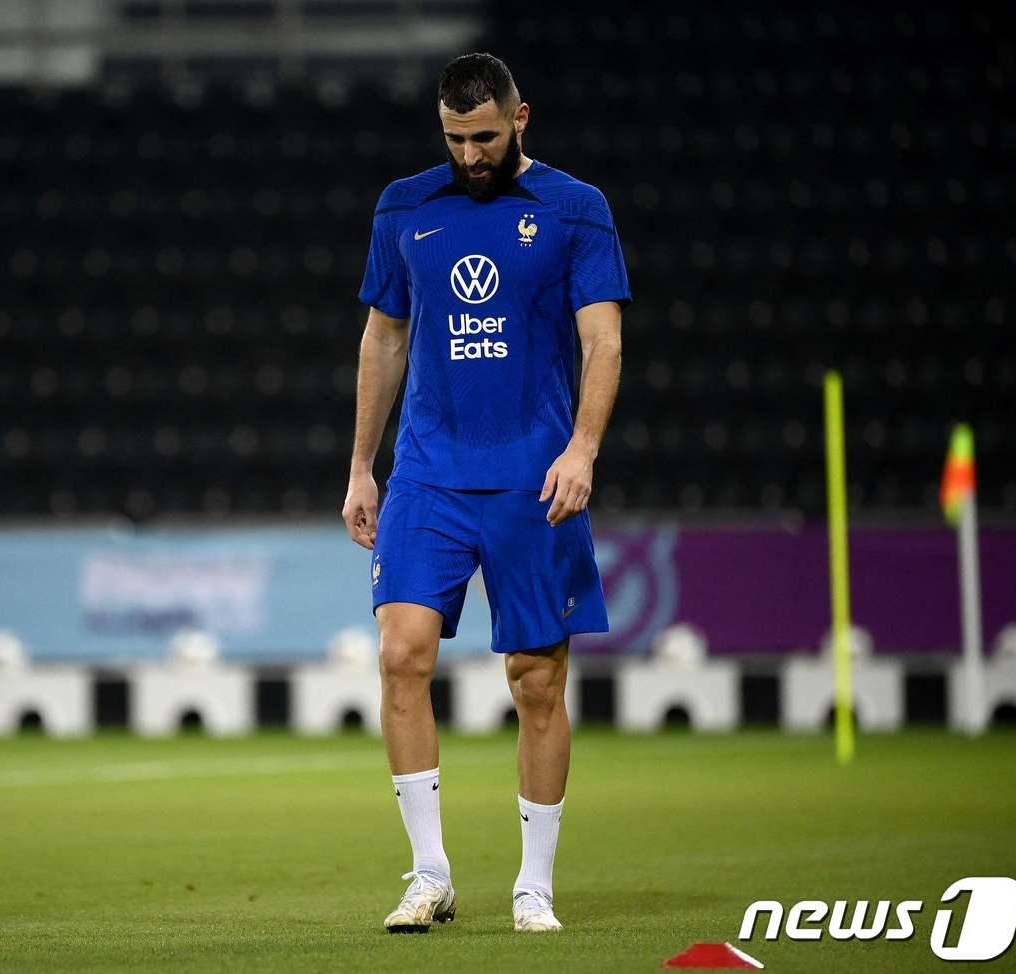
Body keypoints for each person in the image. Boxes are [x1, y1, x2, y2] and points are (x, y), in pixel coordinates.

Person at [341, 52, 630, 934]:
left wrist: (583, 448)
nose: (470, 154)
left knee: (536, 679)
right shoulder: (405, 206)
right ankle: (429, 874)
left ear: (521, 119)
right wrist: (362, 464)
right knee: (401, 656)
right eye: (455, 138)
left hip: (533, 478)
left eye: (485, 136)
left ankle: (533, 884)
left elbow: (604, 341)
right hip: (428, 472)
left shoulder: (577, 210)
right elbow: (383, 340)